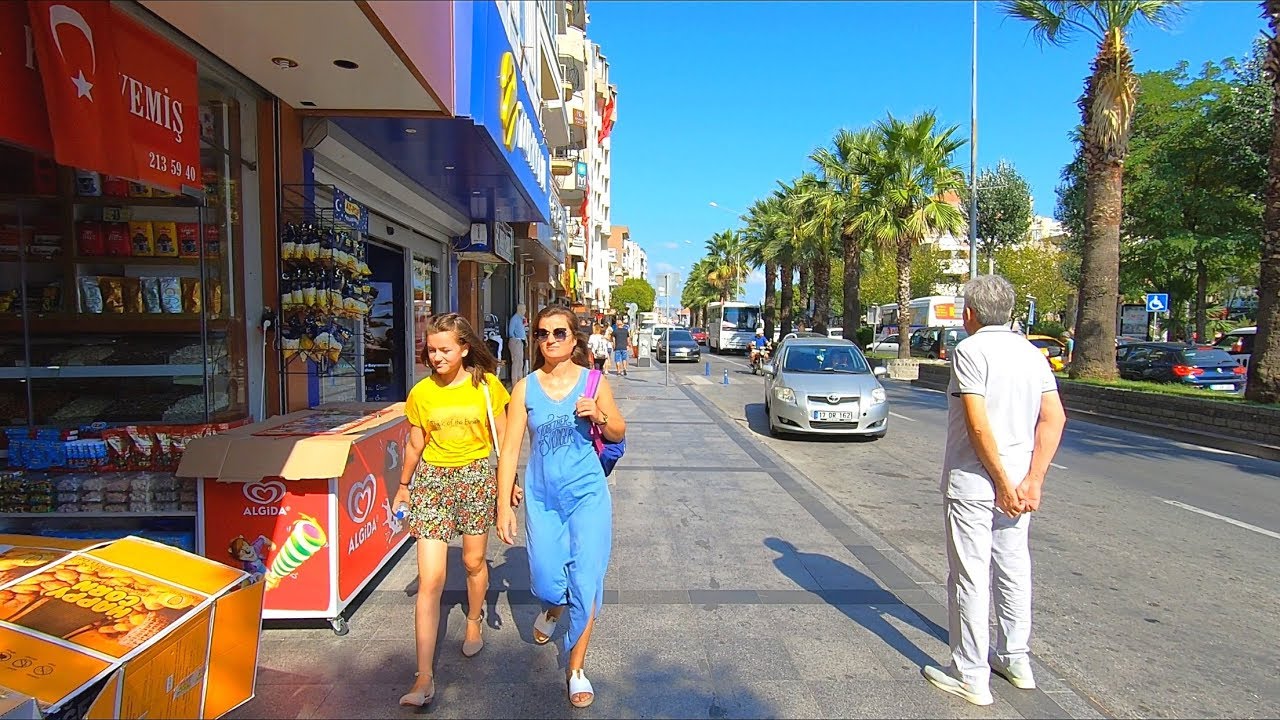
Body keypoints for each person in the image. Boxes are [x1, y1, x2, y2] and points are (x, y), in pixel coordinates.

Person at [923, 275, 1067, 706]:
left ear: (969, 313)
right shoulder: (1031, 353)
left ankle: (970, 673)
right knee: (1013, 566)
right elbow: (1054, 418)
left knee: (969, 575)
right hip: (1020, 485)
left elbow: (978, 423)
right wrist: (1032, 480)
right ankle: (1014, 656)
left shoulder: (970, 351)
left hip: (975, 482)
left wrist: (1002, 482)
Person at [495, 305, 624, 709]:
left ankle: (576, 668)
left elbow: (619, 430)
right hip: (543, 497)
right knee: (548, 579)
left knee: (586, 580)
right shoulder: (525, 388)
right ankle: (552, 608)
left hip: (587, 495)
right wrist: (503, 504)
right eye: (542, 333)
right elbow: (510, 450)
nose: (550, 340)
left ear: (573, 338)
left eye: (559, 333)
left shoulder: (593, 381)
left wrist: (598, 414)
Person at [393, 313, 516, 708]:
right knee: (430, 580)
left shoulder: (487, 387)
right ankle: (423, 676)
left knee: (473, 562)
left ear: (464, 348)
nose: (437, 357)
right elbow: (415, 443)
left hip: (476, 477)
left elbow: (505, 440)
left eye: (445, 349)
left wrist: (509, 483)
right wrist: (403, 487)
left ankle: (474, 619)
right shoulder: (421, 392)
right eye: (432, 350)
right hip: (432, 482)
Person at [508, 305, 528, 384]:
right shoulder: (514, 319)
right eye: (524, 309)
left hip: (521, 341)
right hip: (515, 341)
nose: (525, 311)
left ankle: (520, 381)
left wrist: (525, 339)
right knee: (516, 362)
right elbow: (510, 332)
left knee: (520, 362)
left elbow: (523, 330)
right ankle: (514, 382)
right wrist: (515, 339)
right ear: (520, 309)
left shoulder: (521, 318)